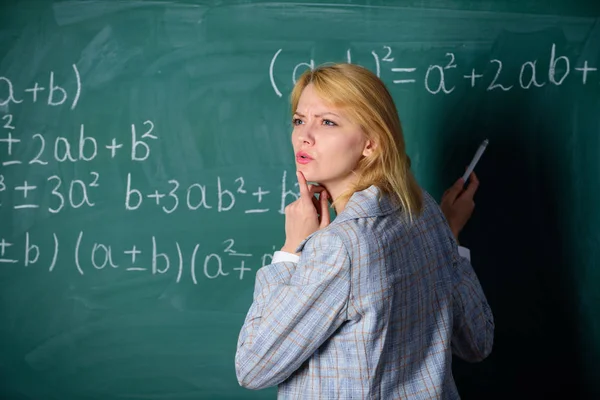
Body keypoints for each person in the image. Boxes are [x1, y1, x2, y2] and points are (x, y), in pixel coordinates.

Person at [235, 63, 494, 399]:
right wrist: (449, 236)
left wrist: (290, 250)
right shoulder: (425, 210)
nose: (304, 135)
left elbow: (253, 366)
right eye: (299, 120)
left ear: (370, 144)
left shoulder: (340, 247)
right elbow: (477, 343)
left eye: (328, 122)